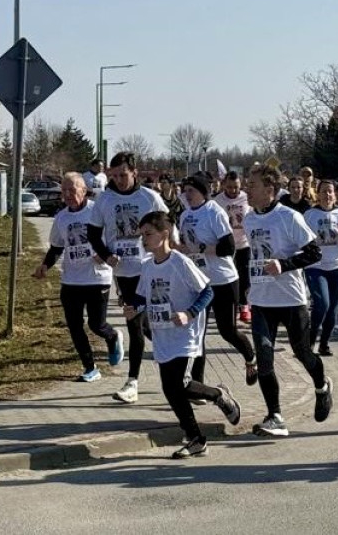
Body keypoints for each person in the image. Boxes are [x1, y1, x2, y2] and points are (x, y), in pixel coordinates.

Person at [125, 211, 242, 459]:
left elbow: (207, 292)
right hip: (162, 335)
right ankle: (198, 435)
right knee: (172, 390)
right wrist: (132, 307)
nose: (143, 240)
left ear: (164, 234)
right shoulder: (147, 266)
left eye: (148, 234)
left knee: (180, 384)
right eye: (141, 235)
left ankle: (213, 406)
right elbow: (141, 295)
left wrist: (189, 313)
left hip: (185, 334)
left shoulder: (180, 262)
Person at [243, 164, 334, 436]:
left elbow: (315, 253)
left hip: (290, 298)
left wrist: (284, 264)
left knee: (303, 353)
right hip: (261, 299)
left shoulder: (288, 217)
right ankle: (275, 416)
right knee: (264, 356)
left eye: (253, 185)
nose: (248, 189)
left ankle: (322, 385)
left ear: (269, 190)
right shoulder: (249, 219)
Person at [88, 152, 170, 404]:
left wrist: (162, 252)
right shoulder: (105, 199)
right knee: (141, 325)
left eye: (124, 174)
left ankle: (135, 380)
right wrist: (105, 254)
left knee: (140, 323)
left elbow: (169, 225)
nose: (120, 180)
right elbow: (92, 232)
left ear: (134, 172)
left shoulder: (149, 197)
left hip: (150, 269)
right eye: (115, 175)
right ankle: (174, 361)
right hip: (124, 272)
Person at [34, 173, 123, 382]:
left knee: (96, 324)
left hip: (97, 277)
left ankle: (112, 336)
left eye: (72, 190)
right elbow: (56, 246)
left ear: (84, 191)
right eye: (64, 191)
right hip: (71, 279)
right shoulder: (61, 217)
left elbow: (114, 237)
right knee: (74, 325)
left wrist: (106, 254)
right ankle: (90, 368)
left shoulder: (97, 211)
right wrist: (45, 266)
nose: (67, 195)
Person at [177, 173, 258, 387]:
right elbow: (188, 246)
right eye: (185, 191)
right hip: (200, 283)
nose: (187, 195)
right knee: (197, 334)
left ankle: (251, 358)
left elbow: (229, 247)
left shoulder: (214, 211)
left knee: (227, 331)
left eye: (191, 191)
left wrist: (202, 248)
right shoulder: (185, 215)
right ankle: (198, 384)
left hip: (223, 280)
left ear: (203, 192)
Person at [303, 180, 338, 355]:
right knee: (322, 304)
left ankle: (324, 343)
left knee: (333, 309)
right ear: (317, 194)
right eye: (324, 192)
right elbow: (302, 240)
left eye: (330, 192)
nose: (327, 195)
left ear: (335, 194)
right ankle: (310, 340)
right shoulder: (309, 215)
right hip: (315, 266)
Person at [214, 171, 253, 323]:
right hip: (227, 244)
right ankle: (234, 306)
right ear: (224, 185)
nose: (232, 191)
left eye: (236, 187)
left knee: (245, 275)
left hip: (244, 242)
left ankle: (245, 306)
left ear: (240, 185)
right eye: (229, 187)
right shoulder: (218, 200)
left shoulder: (246, 198)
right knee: (231, 276)